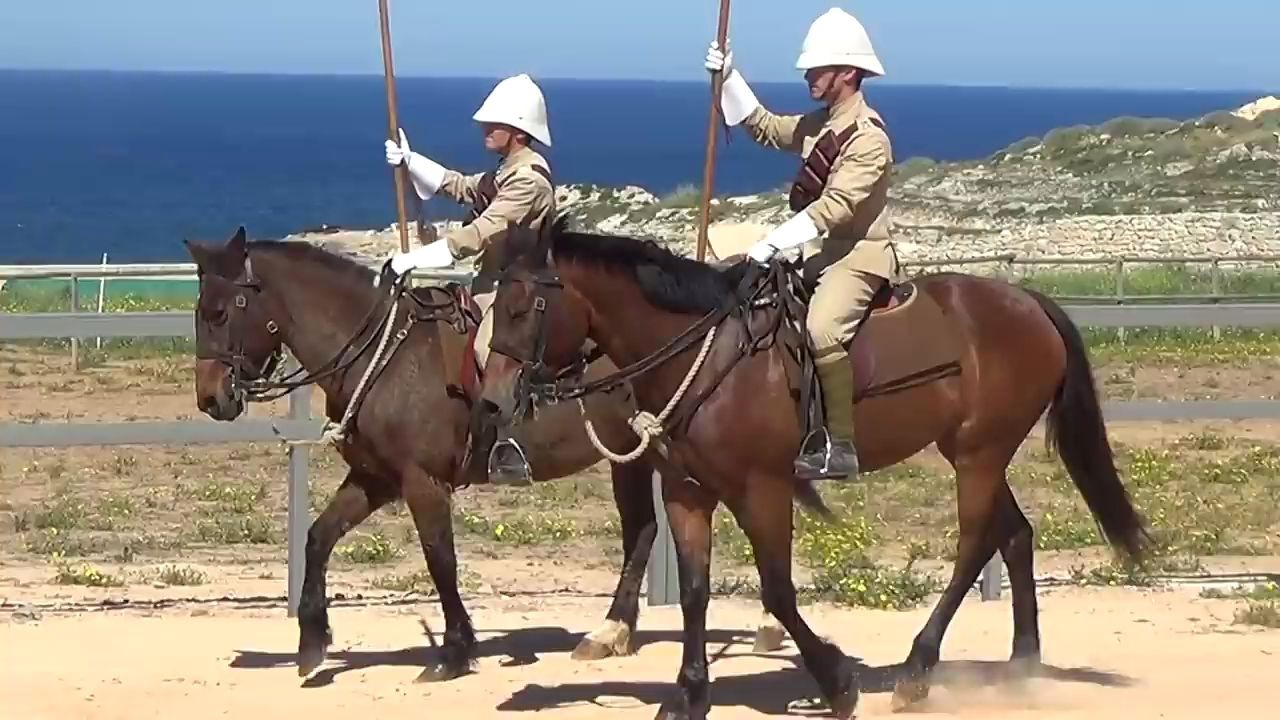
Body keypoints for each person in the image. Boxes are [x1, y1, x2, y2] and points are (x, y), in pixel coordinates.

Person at [704, 7, 901, 481]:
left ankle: (842, 444)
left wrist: (774, 242)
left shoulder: (868, 138)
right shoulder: (822, 124)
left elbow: (836, 208)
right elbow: (767, 128)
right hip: (818, 256)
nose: (808, 75)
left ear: (848, 73)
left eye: (818, 68)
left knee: (822, 329)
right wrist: (730, 78)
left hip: (858, 257)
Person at [381, 73, 556, 370]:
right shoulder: (508, 169)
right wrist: (411, 160)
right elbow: (462, 186)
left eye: (495, 122)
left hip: (518, 293)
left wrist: (411, 260)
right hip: (489, 286)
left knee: (486, 353)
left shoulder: (528, 181)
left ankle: (513, 415)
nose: (484, 127)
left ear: (519, 131)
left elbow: (478, 235)